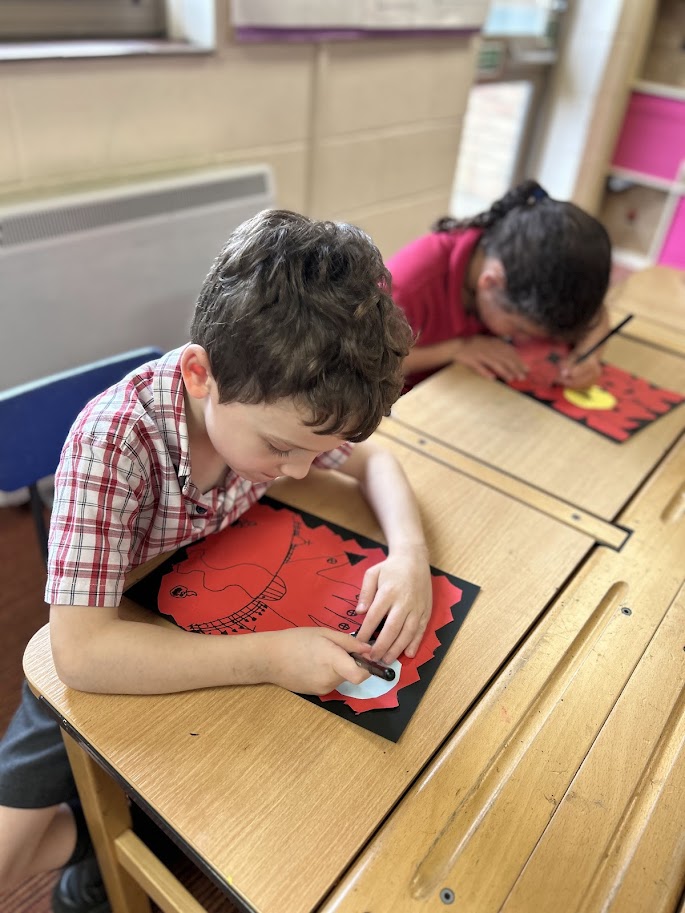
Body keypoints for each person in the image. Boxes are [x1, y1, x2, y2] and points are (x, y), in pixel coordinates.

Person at [0, 210, 433, 913]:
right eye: (279, 450)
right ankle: (93, 857)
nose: (297, 471)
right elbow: (79, 652)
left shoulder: (279, 403)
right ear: (201, 373)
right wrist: (271, 657)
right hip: (108, 640)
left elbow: (374, 458)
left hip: (205, 615)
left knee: (234, 799)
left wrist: (409, 554)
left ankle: (97, 858)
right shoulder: (114, 441)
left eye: (305, 450)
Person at [387, 179, 613, 390]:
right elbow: (361, 365)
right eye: (520, 329)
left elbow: (596, 316)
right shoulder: (406, 287)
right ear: (490, 283)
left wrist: (588, 356)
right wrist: (456, 349)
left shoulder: (520, 270)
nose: (524, 340)